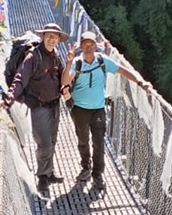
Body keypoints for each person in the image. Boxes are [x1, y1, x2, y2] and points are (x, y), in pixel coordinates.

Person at [64, 31, 150, 190]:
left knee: (99, 143)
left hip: (98, 109)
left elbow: (123, 70)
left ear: (96, 46)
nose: (88, 47)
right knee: (82, 140)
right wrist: (68, 63)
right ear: (80, 46)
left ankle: (97, 174)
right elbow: (64, 81)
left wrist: (140, 81)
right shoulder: (76, 63)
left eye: (91, 44)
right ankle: (85, 166)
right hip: (79, 109)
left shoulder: (103, 61)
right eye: (85, 44)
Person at [3, 22, 74, 194]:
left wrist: (67, 84)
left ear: (58, 40)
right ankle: (42, 176)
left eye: (55, 37)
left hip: (55, 104)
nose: (51, 39)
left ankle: (49, 173)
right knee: (44, 144)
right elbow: (20, 78)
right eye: (48, 36)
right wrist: (11, 97)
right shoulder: (33, 57)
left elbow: (62, 78)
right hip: (39, 106)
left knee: (52, 141)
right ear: (43, 36)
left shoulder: (55, 55)